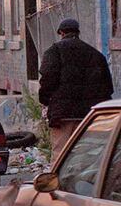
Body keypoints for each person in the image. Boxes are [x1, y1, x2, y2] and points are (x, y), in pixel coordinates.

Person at [39, 18, 114, 156]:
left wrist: (45, 100)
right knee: (87, 155)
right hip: (89, 115)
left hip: (63, 114)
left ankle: (59, 178)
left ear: (61, 33)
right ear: (78, 32)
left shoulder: (54, 51)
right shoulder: (96, 55)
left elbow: (47, 79)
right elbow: (108, 88)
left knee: (61, 153)